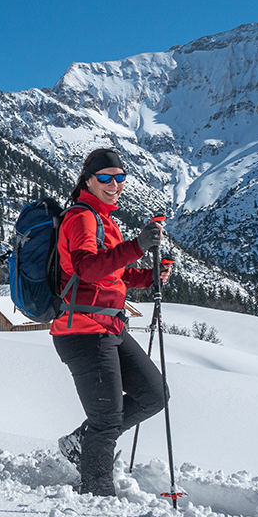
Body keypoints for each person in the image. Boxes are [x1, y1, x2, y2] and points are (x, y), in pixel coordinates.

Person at [52, 148, 171, 496]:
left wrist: (148, 277)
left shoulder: (105, 220)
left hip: (110, 326)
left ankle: (80, 443)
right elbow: (87, 268)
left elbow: (111, 272)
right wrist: (137, 246)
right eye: (105, 177)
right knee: (105, 420)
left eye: (120, 177)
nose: (114, 184)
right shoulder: (82, 218)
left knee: (153, 394)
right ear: (87, 180)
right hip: (82, 331)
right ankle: (98, 493)